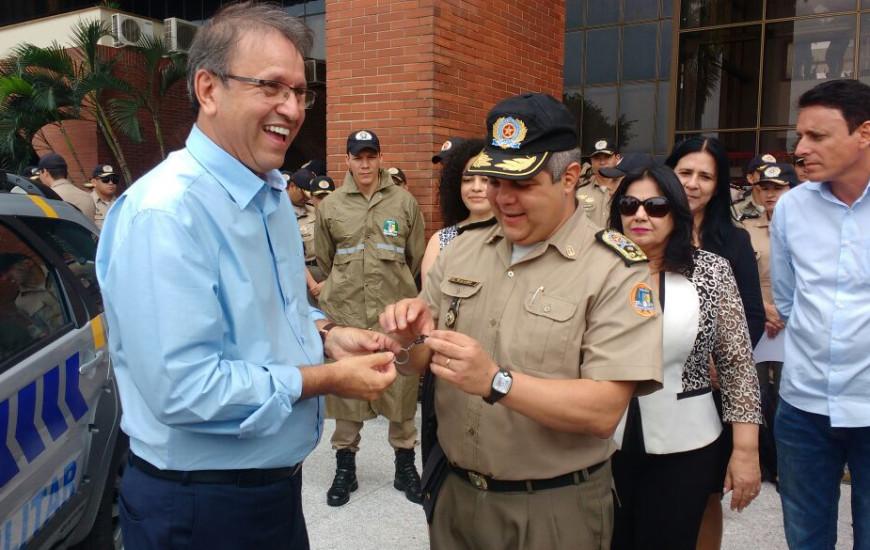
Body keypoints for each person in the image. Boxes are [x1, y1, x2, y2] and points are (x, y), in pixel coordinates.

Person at [95, 4, 400, 549]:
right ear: (208, 89)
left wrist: (328, 338)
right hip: (199, 507)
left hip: (271, 491)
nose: (292, 107)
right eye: (272, 87)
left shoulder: (270, 196)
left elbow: (280, 312)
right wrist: (328, 380)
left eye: (301, 92)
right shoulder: (166, 214)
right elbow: (185, 388)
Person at [380, 92, 664, 549]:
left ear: (570, 177)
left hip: (552, 510)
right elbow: (417, 361)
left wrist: (496, 381)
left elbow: (604, 410)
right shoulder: (463, 247)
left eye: (523, 184)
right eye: (493, 179)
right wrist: (407, 342)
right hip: (455, 495)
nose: (501, 198)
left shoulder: (615, 268)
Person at [607, 165, 762, 550]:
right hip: (601, 442)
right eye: (630, 204)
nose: (640, 215)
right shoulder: (596, 269)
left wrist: (745, 451)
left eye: (655, 205)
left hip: (686, 447)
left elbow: (737, 365)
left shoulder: (711, 272)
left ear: (676, 211)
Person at [770, 78, 870, 550]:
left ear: (864, 134)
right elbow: (789, 300)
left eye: (817, 137)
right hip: (803, 408)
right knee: (806, 539)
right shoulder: (791, 208)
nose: (800, 149)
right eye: (799, 136)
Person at [315, 128, 426, 507]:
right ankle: (346, 466)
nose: (364, 163)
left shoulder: (405, 202)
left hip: (393, 316)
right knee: (347, 391)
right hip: (346, 313)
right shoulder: (330, 206)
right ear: (346, 160)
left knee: (401, 389)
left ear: (380, 158)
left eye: (370, 156)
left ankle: (405, 465)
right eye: (357, 157)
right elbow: (325, 258)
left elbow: (414, 259)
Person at [664, 136, 765, 550]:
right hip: (648, 389)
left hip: (712, 394)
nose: (692, 183)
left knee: (705, 494)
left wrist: (718, 364)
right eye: (685, 172)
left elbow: (753, 317)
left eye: (705, 176)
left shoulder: (733, 241)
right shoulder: (639, 226)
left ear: (718, 185)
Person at [743, 163, 797, 406]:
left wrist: (785, 316)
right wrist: (764, 310)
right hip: (756, 320)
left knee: (789, 394)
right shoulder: (745, 227)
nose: (770, 194)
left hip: (795, 325)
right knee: (756, 394)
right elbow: (738, 276)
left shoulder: (807, 228)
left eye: (778, 188)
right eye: (764, 188)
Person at [420, 138, 494, 287]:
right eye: (468, 180)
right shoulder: (441, 241)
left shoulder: (518, 237)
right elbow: (429, 305)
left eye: (485, 179)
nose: (476, 187)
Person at [284, 169, 322, 302]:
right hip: (296, 276)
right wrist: (312, 284)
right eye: (302, 193)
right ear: (292, 186)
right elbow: (292, 254)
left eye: (308, 195)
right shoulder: (280, 212)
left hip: (319, 272)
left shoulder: (313, 210)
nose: (305, 198)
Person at [37, 153, 97, 223]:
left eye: (40, 173)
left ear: (45, 172)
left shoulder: (46, 197)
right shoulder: (87, 197)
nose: (40, 177)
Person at [575, 138, 621, 227]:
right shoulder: (578, 193)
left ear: (617, 158)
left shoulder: (626, 190)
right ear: (591, 161)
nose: (602, 162)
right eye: (597, 158)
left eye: (607, 157)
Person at [90, 164, 119, 230]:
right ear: (94, 182)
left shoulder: (122, 204)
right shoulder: (87, 202)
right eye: (106, 179)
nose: (111, 183)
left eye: (115, 180)